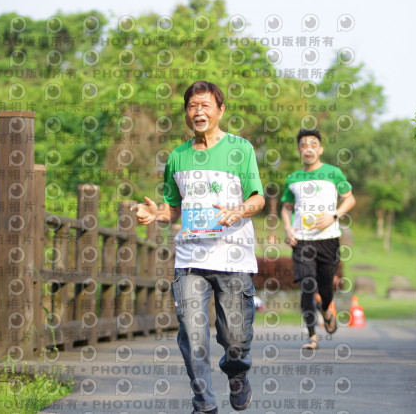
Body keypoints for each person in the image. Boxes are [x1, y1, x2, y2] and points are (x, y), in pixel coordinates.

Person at [132, 81, 265, 414]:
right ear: (186, 112)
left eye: (206, 105)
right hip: (190, 259)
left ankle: (237, 372)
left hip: (233, 257)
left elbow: (258, 198)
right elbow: (173, 206)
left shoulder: (241, 149)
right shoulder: (177, 156)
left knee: (235, 338)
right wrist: (156, 214)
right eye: (193, 106)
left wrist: (240, 210)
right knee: (192, 336)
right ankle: (204, 403)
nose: (199, 112)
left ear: (220, 110)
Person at [280, 128, 356, 350]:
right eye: (304, 145)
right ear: (299, 150)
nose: (308, 149)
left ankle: (325, 309)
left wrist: (334, 216)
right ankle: (312, 336)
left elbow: (350, 199)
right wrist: (288, 229)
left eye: (313, 145)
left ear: (320, 149)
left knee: (325, 288)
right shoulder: (292, 178)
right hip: (302, 240)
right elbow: (286, 208)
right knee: (307, 285)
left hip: (328, 239)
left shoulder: (334, 173)